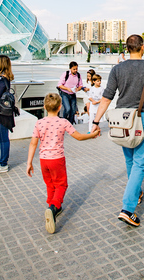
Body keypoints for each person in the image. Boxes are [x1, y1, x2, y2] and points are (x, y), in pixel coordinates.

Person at [93, 34, 144, 228]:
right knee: (139, 164)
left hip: (122, 122)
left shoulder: (117, 69)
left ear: (127, 49)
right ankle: (127, 209)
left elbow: (106, 98)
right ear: (142, 47)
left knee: (130, 160)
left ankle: (136, 194)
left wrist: (96, 121)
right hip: (142, 119)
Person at [26, 93, 100, 234]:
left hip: (43, 160)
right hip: (57, 159)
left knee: (50, 184)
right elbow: (78, 137)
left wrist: (29, 162)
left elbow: (33, 143)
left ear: (44, 106)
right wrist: (92, 135)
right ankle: (53, 207)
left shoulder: (39, 122)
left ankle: (52, 206)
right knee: (61, 184)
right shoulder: (63, 122)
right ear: (60, 107)